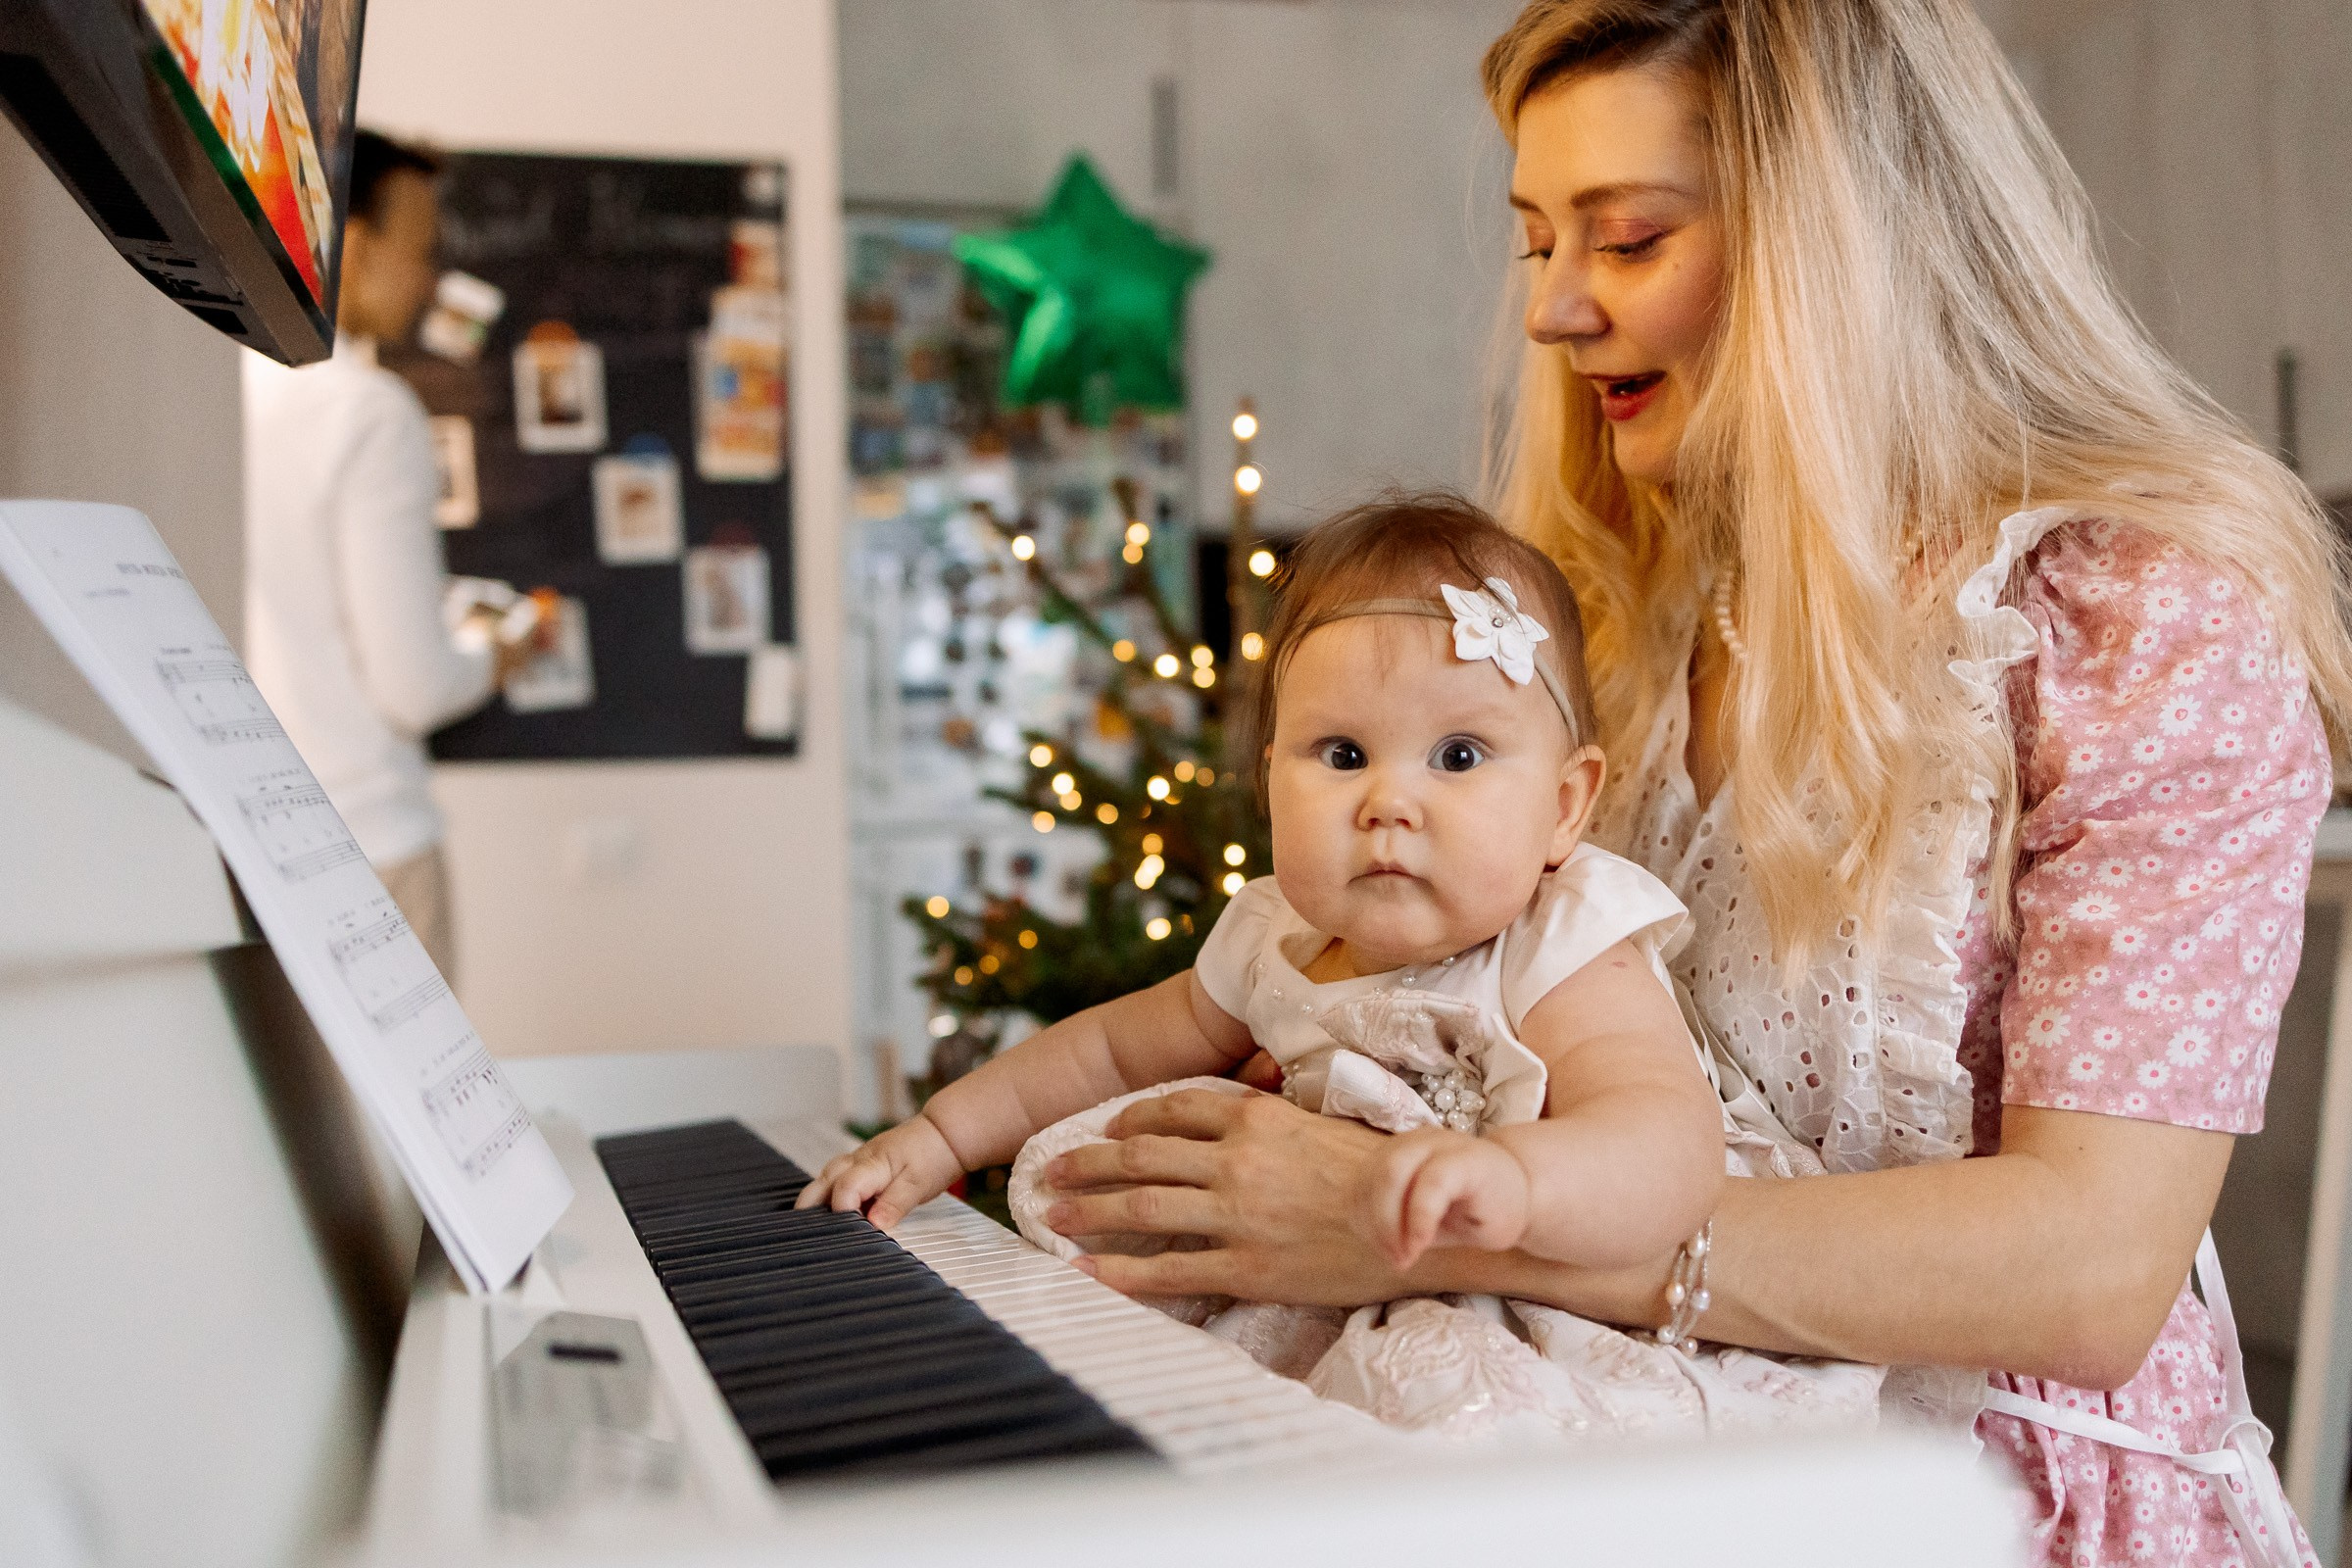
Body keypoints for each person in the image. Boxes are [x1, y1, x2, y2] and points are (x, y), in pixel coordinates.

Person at [1011, 5, 2350, 1565]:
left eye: (1630, 239)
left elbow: (2090, 1273)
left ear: (1839, 252)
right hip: (1645, 1476)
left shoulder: (2131, 621)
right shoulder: (1614, 623)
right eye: (1536, 244)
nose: (1558, 314)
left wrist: (1417, 1220)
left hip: (2004, 1511)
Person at [808, 498, 1887, 1434]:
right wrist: (940, 1135)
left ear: (1564, 805)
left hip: (1549, 1303)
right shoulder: (1269, 937)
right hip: (1326, 1283)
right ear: (1271, 775)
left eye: (1459, 756)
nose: (1388, 800)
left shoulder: (1558, 942)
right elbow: (1101, 1047)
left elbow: (1668, 1145)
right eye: (1342, 755)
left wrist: (1518, 1182)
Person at [245, 130, 532, 983]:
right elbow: (413, 683)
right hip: (372, 845)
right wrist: (505, 652)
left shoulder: (227, 390)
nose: (430, 278)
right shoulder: (369, 411)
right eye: (422, 250)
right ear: (357, 244)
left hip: (253, 844)